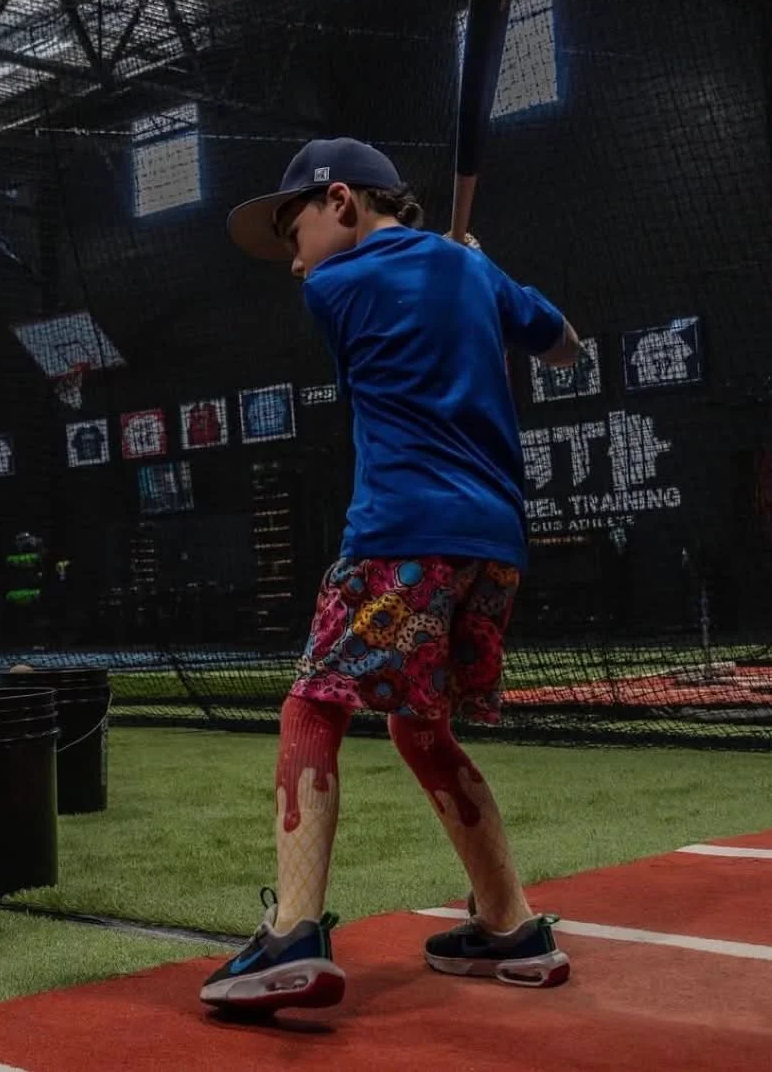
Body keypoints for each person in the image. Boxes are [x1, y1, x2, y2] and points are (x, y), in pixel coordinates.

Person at [201, 139, 582, 1013]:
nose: (294, 260)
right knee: (421, 729)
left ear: (341, 200)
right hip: (493, 547)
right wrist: (481, 270)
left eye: (296, 228)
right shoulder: (468, 273)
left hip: (402, 533)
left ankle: (293, 930)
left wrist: (455, 266)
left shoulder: (334, 288)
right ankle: (509, 923)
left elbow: (361, 281)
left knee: (314, 703)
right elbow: (564, 346)